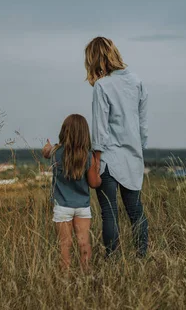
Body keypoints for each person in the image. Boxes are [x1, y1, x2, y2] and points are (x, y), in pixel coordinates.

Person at [84, 37, 149, 258]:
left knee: (109, 214)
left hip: (108, 159)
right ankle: (142, 258)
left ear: (95, 59)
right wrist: (139, 150)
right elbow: (143, 126)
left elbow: (100, 129)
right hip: (133, 157)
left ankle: (113, 261)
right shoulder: (137, 81)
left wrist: (95, 161)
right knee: (135, 211)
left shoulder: (102, 86)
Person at [42, 114, 102, 271]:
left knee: (64, 247)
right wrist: (97, 166)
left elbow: (47, 152)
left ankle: (64, 283)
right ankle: (87, 277)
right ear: (84, 133)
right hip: (82, 206)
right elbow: (95, 183)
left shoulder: (56, 153)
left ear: (64, 131)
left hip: (62, 206)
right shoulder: (88, 156)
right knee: (84, 243)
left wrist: (48, 148)